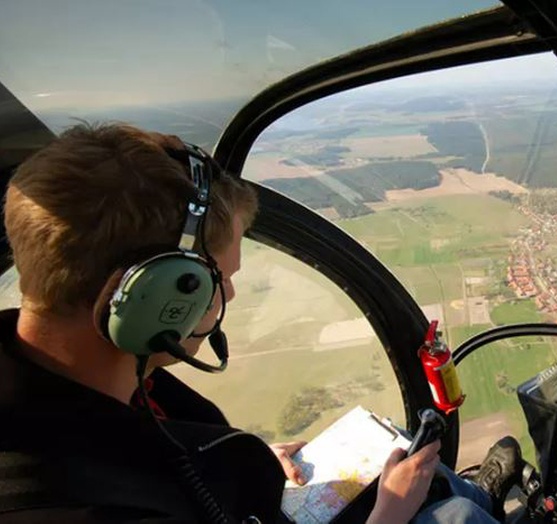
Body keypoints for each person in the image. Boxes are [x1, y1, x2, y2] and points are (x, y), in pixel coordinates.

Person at [0, 123, 523, 523]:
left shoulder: (80, 386)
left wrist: (239, 464)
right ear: (147, 297)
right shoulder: (65, 501)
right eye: (214, 281)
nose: (227, 294)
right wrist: (386, 514)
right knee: (450, 513)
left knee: (427, 472)